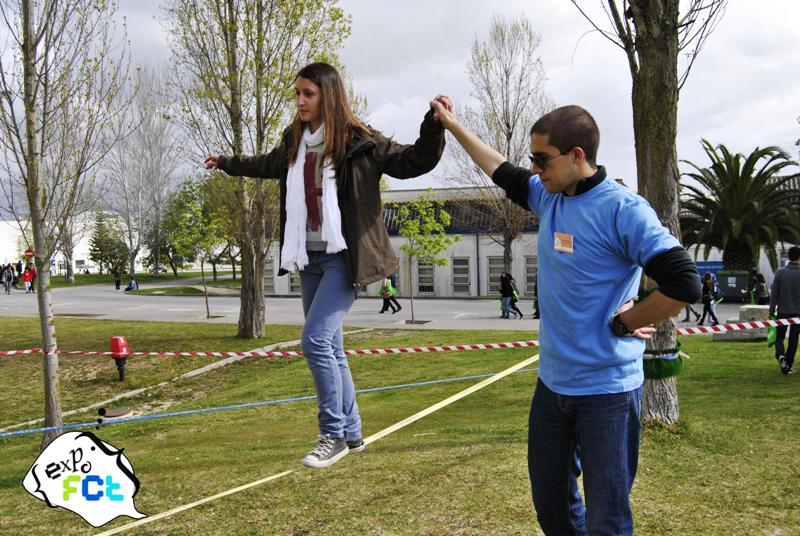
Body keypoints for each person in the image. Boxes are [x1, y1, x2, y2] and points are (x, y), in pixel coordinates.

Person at [429, 100, 701, 535]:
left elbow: (685, 283)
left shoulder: (623, 210)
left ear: (577, 155)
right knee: (552, 507)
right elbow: (498, 168)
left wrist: (626, 323)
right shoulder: (547, 194)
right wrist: (453, 124)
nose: (534, 169)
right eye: (532, 159)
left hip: (607, 392)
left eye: (541, 159)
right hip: (552, 387)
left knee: (607, 516)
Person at [205, 62, 447, 469]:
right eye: (297, 93)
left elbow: (412, 161)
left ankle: (331, 434)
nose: (299, 101)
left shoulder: (360, 141)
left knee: (315, 341)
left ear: (328, 96)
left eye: (308, 94)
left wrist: (433, 124)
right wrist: (227, 162)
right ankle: (352, 434)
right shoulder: (294, 139)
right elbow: (266, 165)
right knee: (331, 347)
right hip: (309, 257)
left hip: (345, 258)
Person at [769, 246, 800, 375]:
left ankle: (781, 355)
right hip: (798, 313)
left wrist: (771, 310)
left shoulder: (780, 272)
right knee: (793, 339)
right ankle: (787, 364)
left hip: (782, 311)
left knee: (779, 337)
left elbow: (774, 294)